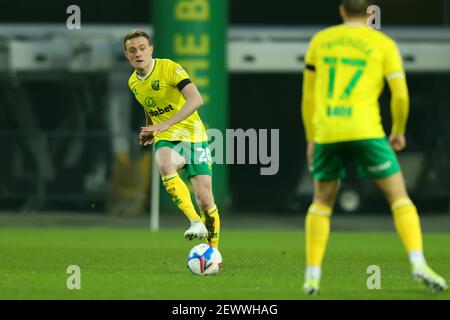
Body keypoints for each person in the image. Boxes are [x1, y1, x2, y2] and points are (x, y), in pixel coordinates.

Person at [301, 0, 447, 294]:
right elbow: (401, 96)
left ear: (342, 10)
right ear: (371, 13)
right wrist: (398, 131)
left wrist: (311, 136)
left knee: (321, 203)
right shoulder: (383, 43)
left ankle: (312, 277)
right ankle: (418, 263)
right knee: (399, 198)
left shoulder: (320, 40)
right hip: (367, 131)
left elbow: (308, 96)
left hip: (328, 131)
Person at [123, 29, 220, 248]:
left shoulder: (169, 67)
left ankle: (213, 252)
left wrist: (167, 123)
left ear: (151, 50)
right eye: (132, 50)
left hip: (194, 135)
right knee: (166, 165)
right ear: (127, 55)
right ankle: (195, 222)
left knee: (205, 199)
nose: (137, 54)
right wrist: (151, 129)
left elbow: (196, 99)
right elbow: (151, 108)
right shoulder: (133, 83)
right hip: (167, 136)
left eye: (142, 48)